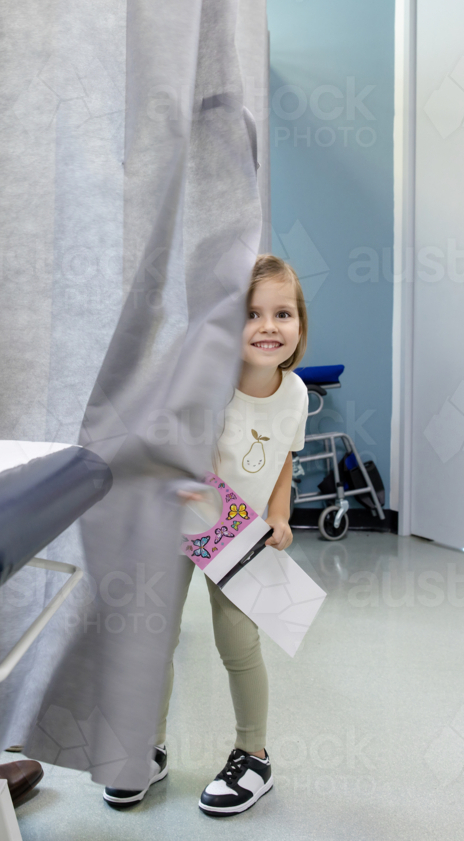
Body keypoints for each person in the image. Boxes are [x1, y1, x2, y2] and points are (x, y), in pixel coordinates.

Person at [103, 254, 309, 816]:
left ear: (299, 325)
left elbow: (286, 459)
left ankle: (254, 755)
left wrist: (281, 516)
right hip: (182, 524)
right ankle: (148, 747)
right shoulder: (210, 388)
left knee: (239, 645)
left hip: (240, 537)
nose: (269, 327)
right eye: (252, 314)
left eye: (282, 313)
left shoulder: (295, 396)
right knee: (157, 637)